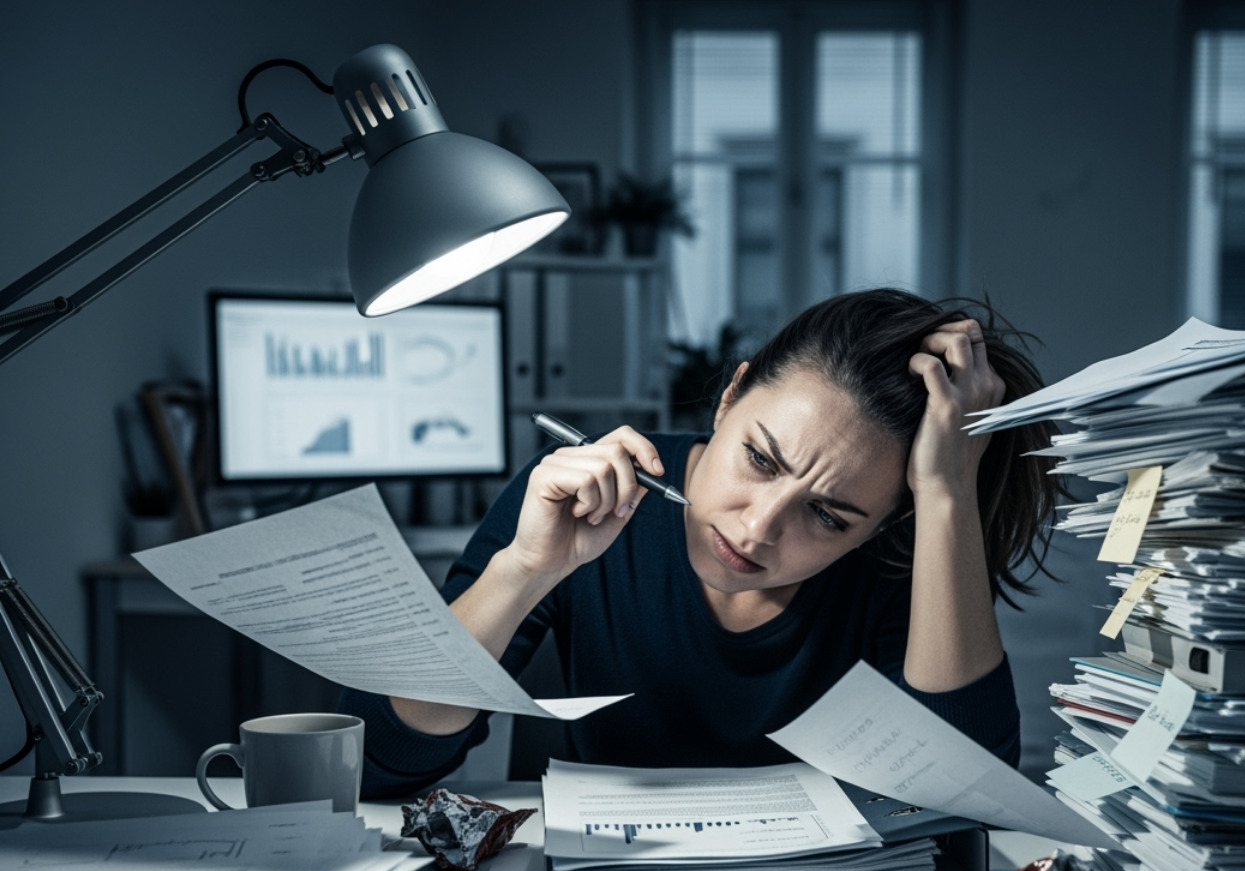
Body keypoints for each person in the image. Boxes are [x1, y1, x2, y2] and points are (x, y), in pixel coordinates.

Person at [340, 288, 1061, 798]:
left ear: (883, 523)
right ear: (730, 397)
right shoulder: (578, 498)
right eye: (759, 458)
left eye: (830, 517)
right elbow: (377, 762)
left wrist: (945, 495)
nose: (756, 528)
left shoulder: (901, 561)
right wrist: (525, 569)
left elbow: (969, 797)